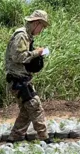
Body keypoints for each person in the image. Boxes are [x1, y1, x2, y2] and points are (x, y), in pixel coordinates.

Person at [4, 10, 50, 143]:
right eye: (42, 26)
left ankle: (14, 139)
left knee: (26, 111)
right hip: (17, 79)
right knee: (35, 106)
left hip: (21, 78)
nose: (42, 30)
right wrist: (36, 53)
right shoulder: (21, 35)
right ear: (36, 23)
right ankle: (45, 139)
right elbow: (18, 56)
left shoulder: (27, 36)